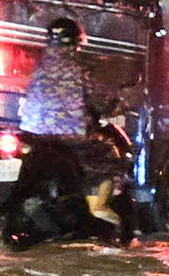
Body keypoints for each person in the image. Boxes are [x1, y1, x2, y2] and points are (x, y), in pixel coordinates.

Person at [20, 19, 122, 227]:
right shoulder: (81, 68)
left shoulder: (35, 66)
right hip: (72, 136)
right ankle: (99, 206)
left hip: (32, 133)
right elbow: (99, 102)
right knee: (108, 156)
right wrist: (114, 105)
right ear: (76, 41)